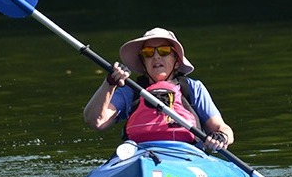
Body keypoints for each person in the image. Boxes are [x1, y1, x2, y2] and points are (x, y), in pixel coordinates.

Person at [83, 27, 233, 152]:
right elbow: (95, 121)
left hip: (186, 155)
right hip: (139, 155)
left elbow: (222, 128)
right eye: (148, 53)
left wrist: (221, 137)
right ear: (143, 63)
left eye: (164, 51)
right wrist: (110, 83)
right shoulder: (130, 90)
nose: (156, 57)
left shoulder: (192, 88)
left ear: (176, 61)